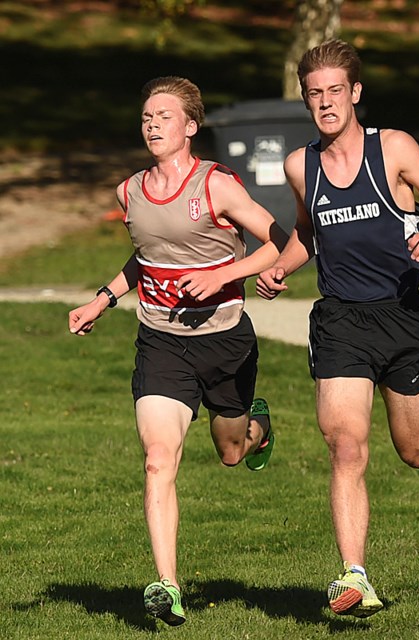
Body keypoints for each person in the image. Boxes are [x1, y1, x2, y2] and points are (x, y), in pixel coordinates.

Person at [256, 39, 419, 619]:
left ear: (354, 93)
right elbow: (307, 232)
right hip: (341, 319)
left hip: (403, 316)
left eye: (334, 91)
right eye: (314, 94)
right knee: (345, 446)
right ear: (306, 101)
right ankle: (354, 575)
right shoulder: (300, 165)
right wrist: (280, 265)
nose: (325, 103)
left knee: (414, 452)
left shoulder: (394, 148)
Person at [67, 76, 285, 626]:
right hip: (161, 341)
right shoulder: (129, 191)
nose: (152, 124)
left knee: (231, 451)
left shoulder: (217, 186)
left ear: (190, 127)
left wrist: (224, 277)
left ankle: (256, 427)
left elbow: (280, 239)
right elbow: (149, 256)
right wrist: (102, 299)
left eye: (164, 116)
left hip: (225, 340)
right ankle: (167, 585)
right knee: (158, 459)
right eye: (146, 116)